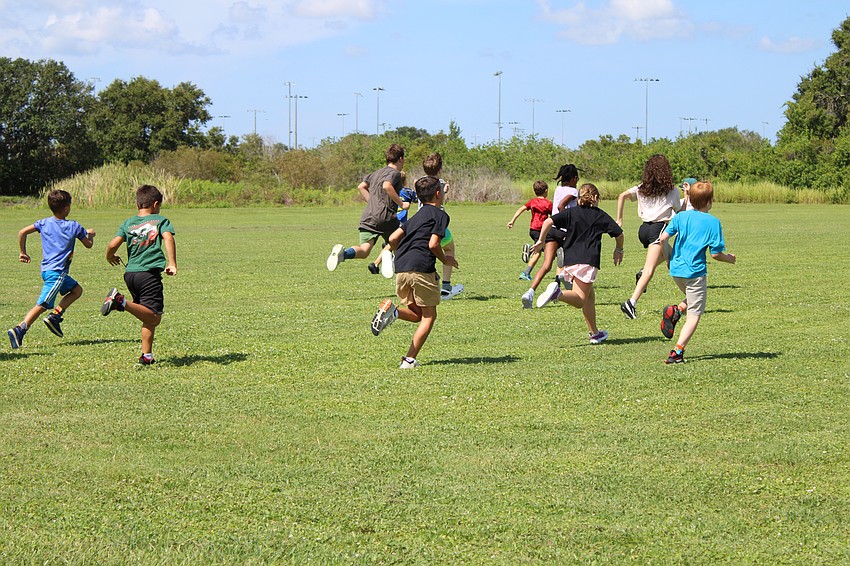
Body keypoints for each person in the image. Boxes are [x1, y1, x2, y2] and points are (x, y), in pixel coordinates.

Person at [370, 175, 458, 368]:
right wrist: (446, 259)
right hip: (421, 268)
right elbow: (433, 243)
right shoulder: (440, 215)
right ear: (438, 194)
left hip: (401, 268)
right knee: (429, 316)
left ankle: (393, 312)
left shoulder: (416, 216)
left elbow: (393, 238)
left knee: (417, 314)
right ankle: (409, 360)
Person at [532, 183, 624, 344]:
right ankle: (557, 294)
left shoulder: (570, 213)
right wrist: (619, 250)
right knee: (580, 299)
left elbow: (547, 222)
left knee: (589, 297)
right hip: (587, 261)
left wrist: (541, 241)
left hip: (570, 261)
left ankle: (595, 333)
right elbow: (619, 233)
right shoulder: (600, 215)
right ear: (595, 198)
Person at [657, 181, 736, 364]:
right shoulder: (713, 222)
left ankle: (676, 310)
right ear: (710, 201)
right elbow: (715, 254)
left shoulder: (681, 217)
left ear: (690, 199)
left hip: (677, 271)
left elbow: (663, 238)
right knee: (695, 315)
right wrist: (729, 258)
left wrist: (668, 259)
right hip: (695, 272)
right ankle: (677, 352)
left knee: (694, 299)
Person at [7, 190, 95, 349]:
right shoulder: (74, 226)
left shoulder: (44, 223)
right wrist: (90, 235)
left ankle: (55, 316)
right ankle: (20, 329)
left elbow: (22, 232)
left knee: (77, 290)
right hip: (57, 274)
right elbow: (88, 245)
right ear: (67, 208)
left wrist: (22, 252)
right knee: (42, 304)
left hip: (48, 271)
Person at [101, 185, 177, 365]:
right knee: (154, 316)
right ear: (156, 204)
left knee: (146, 315)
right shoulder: (160, 220)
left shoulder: (128, 223)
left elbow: (113, 244)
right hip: (148, 274)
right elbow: (168, 238)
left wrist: (110, 256)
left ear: (137, 204)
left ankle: (146, 355)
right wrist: (172, 263)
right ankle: (120, 301)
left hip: (131, 275)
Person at [616, 154, 686, 319]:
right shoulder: (673, 191)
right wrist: (688, 197)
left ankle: (691, 299)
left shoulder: (641, 188)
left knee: (672, 256)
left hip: (644, 230)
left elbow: (622, 196)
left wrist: (619, 219)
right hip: (658, 230)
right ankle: (631, 303)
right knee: (650, 269)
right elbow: (680, 211)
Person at [327, 143, 409, 272]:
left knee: (364, 250)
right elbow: (387, 186)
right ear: (400, 158)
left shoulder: (376, 173)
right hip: (386, 217)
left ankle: (343, 254)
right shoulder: (395, 173)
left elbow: (361, 186)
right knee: (402, 244)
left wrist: (372, 202)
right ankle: (390, 258)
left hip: (369, 217)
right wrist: (402, 204)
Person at [520, 164, 579, 308]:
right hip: (565, 231)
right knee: (576, 257)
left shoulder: (558, 189)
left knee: (546, 265)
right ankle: (563, 276)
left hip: (552, 229)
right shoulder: (574, 191)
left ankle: (529, 292)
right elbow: (561, 206)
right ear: (574, 178)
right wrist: (568, 219)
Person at [421, 152, 463, 299]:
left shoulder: (420, 181)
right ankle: (445, 286)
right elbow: (439, 201)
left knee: (427, 251)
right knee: (449, 248)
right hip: (437, 223)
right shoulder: (440, 182)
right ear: (439, 170)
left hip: (422, 222)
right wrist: (445, 191)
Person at [369, 172, 416, 278]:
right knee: (399, 243)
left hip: (388, 220)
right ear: (404, 181)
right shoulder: (407, 192)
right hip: (400, 223)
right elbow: (419, 198)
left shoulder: (388, 192)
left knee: (392, 243)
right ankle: (377, 263)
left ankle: (379, 263)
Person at [507, 180, 552, 281]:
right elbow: (554, 217)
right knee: (541, 251)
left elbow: (520, 209)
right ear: (546, 191)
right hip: (542, 231)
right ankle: (526, 272)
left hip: (532, 230)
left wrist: (512, 221)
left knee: (540, 250)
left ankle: (530, 253)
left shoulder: (532, 202)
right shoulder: (548, 204)